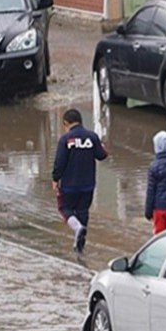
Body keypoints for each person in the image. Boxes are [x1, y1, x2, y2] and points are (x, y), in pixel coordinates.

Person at [51, 108, 107, 253]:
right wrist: (104, 148)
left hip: (69, 186)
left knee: (64, 208)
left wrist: (55, 179)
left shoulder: (65, 139)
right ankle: (80, 245)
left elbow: (59, 162)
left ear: (66, 123)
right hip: (88, 185)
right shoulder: (92, 137)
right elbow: (101, 155)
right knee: (83, 211)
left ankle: (77, 229)